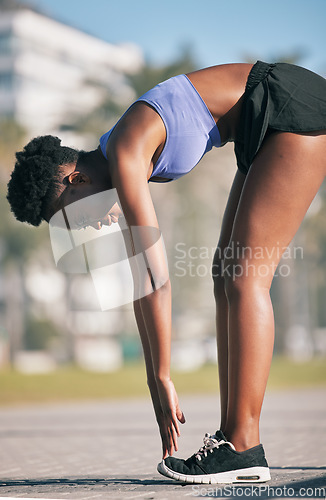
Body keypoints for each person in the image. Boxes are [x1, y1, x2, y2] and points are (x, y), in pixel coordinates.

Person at [7, 61, 326, 485]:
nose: (81, 227)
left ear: (76, 178)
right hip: (259, 130)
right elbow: (143, 281)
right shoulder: (115, 166)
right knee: (224, 273)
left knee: (244, 277)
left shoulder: (123, 152)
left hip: (285, 107)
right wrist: (153, 375)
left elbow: (155, 279)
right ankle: (234, 442)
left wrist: (161, 378)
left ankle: (244, 445)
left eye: (69, 217)